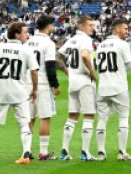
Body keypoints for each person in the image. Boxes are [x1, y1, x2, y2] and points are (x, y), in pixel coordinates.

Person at [0, 22, 39, 165]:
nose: (27, 35)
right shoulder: (27, 50)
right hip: (20, 92)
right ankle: (25, 155)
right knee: (24, 124)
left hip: (3, 92)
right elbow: (34, 72)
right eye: (25, 32)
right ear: (17, 35)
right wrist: (34, 90)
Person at [57, 16, 98, 161]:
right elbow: (85, 55)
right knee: (89, 115)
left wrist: (67, 71)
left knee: (72, 116)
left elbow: (58, 57)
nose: (92, 28)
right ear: (81, 26)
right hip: (85, 82)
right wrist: (92, 72)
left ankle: (64, 151)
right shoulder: (85, 39)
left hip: (73, 82)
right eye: (89, 25)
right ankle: (85, 152)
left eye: (93, 25)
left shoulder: (72, 40)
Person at [94, 19, 131, 161]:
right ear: (117, 29)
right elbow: (130, 65)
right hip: (119, 86)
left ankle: (101, 153)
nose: (127, 31)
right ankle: (122, 153)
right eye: (125, 28)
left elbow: (97, 64)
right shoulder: (123, 44)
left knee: (102, 119)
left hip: (103, 87)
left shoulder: (100, 45)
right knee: (123, 118)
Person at [26, 16, 60, 161]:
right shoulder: (49, 43)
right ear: (48, 26)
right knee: (45, 118)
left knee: (29, 118)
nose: (53, 26)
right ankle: (43, 152)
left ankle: (26, 151)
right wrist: (55, 85)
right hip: (43, 83)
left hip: (27, 83)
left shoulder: (28, 42)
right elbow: (50, 66)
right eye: (52, 24)